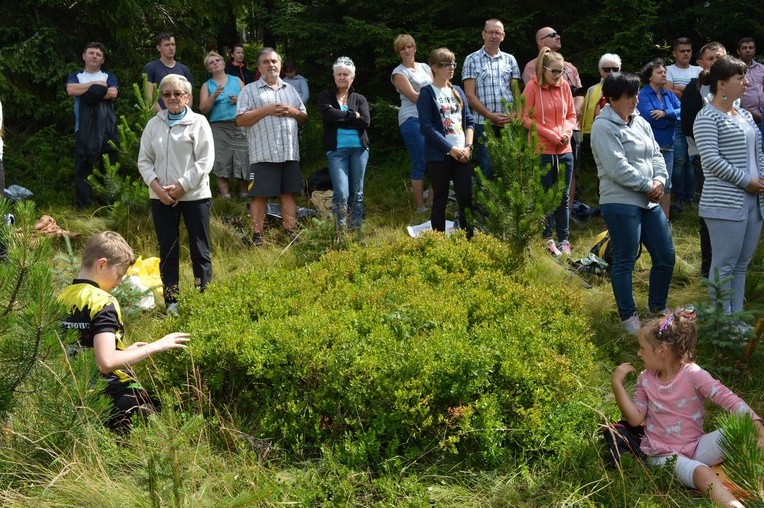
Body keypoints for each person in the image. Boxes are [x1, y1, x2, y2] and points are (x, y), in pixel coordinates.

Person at [611, 309, 764, 507]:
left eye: (642, 348)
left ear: (662, 351)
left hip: (696, 445)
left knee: (745, 434)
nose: (638, 353)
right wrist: (617, 385)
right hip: (661, 455)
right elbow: (634, 419)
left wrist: (758, 427)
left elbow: (728, 399)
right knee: (702, 472)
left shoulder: (693, 374)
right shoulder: (645, 379)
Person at [58, 231, 190, 433]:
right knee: (165, 412)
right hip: (108, 393)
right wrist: (158, 345)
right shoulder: (103, 302)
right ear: (101, 264)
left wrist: (126, 351)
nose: (119, 282)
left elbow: (82, 348)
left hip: (68, 391)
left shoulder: (62, 297)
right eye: (119, 274)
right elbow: (106, 363)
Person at [590, 72, 674, 333]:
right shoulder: (603, 126)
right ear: (612, 99)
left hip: (649, 200)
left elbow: (657, 155)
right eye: (630, 96)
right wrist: (648, 186)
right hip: (620, 201)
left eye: (637, 94)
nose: (636, 100)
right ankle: (628, 317)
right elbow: (617, 168)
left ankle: (657, 307)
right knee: (626, 259)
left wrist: (659, 181)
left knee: (666, 255)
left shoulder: (641, 123)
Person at [137, 75, 214, 315]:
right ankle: (171, 301)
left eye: (177, 93)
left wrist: (182, 186)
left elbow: (205, 161)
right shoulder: (153, 124)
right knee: (168, 250)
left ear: (188, 97)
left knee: (199, 249)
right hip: (161, 198)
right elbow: (144, 161)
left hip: (195, 196)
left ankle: (203, 296)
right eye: (167, 94)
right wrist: (158, 189)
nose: (172, 98)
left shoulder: (199, 122)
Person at [693, 55, 764, 315]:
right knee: (724, 266)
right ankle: (722, 322)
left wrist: (761, 181)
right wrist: (747, 182)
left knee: (741, 264)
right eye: (740, 78)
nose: (746, 82)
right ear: (722, 84)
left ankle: (736, 318)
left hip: (754, 201)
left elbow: (759, 153)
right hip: (724, 203)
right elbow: (711, 161)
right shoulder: (707, 117)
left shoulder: (744, 113)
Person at [236, 48, 308, 246]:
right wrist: (266, 110)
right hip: (263, 153)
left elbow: (304, 118)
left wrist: (293, 111)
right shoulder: (249, 90)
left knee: (288, 193)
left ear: (280, 65)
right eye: (266, 62)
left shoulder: (291, 90)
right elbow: (240, 120)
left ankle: (290, 231)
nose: (271, 65)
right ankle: (257, 236)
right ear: (259, 67)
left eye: (274, 61)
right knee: (259, 195)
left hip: (289, 152)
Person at [522, 48, 577, 256]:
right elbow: (524, 118)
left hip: (564, 148)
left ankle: (564, 239)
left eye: (561, 72)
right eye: (554, 72)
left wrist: (566, 131)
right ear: (543, 70)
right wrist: (549, 134)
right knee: (544, 195)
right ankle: (547, 237)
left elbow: (571, 115)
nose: (558, 76)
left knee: (562, 196)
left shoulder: (564, 87)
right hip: (541, 149)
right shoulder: (532, 87)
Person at [680, 42, 727, 278]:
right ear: (701, 63)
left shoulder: (733, 88)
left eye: (720, 57)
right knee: (710, 213)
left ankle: (729, 266)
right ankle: (708, 269)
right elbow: (687, 126)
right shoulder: (694, 89)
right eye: (711, 58)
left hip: (732, 161)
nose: (716, 62)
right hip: (703, 158)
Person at [417, 48, 475, 237]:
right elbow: (426, 127)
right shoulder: (426, 93)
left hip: (462, 153)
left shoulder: (457, 90)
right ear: (434, 67)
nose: (451, 68)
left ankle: (468, 239)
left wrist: (468, 147)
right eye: (445, 64)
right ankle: (438, 242)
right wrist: (449, 149)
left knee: (465, 198)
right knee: (440, 198)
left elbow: (469, 121)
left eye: (453, 63)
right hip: (439, 155)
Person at [462, 19, 521, 180]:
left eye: (497, 33)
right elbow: (469, 95)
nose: (493, 36)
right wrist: (490, 115)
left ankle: (509, 204)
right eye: (490, 32)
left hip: (509, 120)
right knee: (487, 166)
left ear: (503, 36)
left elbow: (515, 91)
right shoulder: (471, 60)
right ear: (483, 34)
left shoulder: (510, 60)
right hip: (483, 122)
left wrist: (516, 114)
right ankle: (484, 204)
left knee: (510, 165)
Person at [65, 42, 120, 210]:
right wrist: (96, 86)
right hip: (82, 129)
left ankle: (108, 205)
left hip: (107, 130)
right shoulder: (76, 75)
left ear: (102, 60)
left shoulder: (109, 76)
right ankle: (83, 205)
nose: (94, 56)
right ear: (84, 56)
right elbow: (71, 90)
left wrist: (89, 93)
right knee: (83, 168)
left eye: (98, 54)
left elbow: (112, 93)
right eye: (91, 53)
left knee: (108, 167)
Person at [318, 57, 370, 231]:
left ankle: (355, 230)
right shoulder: (326, 96)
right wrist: (350, 116)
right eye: (338, 74)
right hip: (336, 150)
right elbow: (327, 115)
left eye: (345, 74)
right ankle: (340, 231)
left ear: (352, 78)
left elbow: (365, 122)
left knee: (358, 192)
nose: (342, 77)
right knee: (341, 192)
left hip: (359, 150)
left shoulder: (359, 98)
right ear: (334, 77)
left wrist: (339, 119)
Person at [391, 34, 433, 212]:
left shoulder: (425, 67)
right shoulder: (398, 73)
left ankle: (432, 202)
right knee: (420, 162)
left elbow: (440, 86)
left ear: (415, 48)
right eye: (403, 48)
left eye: (409, 46)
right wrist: (435, 96)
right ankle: (420, 207)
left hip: (431, 119)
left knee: (436, 161)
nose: (407, 50)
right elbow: (415, 97)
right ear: (398, 52)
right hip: (411, 119)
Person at [199, 51, 249, 200]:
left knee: (242, 158)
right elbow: (203, 109)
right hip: (218, 127)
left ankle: (244, 194)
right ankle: (226, 197)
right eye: (211, 62)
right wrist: (214, 95)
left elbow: (250, 101)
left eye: (217, 60)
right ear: (208, 69)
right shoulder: (206, 85)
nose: (215, 63)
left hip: (239, 124)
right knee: (222, 160)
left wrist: (238, 100)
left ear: (223, 63)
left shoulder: (236, 80)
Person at [637, 59, 681, 219]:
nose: (664, 74)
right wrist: (671, 118)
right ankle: (648, 218)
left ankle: (665, 220)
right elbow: (648, 117)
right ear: (650, 77)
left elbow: (681, 111)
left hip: (668, 145)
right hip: (649, 146)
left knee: (666, 185)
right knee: (649, 184)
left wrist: (665, 114)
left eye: (664, 72)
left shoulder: (669, 94)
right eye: (660, 72)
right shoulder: (642, 94)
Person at [665, 38, 701, 208]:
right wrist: (691, 89)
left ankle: (691, 196)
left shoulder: (698, 69)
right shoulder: (668, 70)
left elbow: (703, 92)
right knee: (679, 160)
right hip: (678, 121)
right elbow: (668, 92)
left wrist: (680, 88)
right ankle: (678, 197)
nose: (686, 53)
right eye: (682, 51)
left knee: (694, 159)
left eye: (689, 50)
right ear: (674, 53)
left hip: (698, 120)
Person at [144, 32, 194, 112]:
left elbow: (189, 94)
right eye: (167, 45)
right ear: (159, 48)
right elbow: (149, 95)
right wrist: (162, 116)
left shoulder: (184, 69)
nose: (171, 48)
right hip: (160, 116)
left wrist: (185, 114)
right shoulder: (151, 68)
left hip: (182, 116)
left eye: (173, 44)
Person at [581, 54, 621, 136]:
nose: (611, 72)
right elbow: (584, 114)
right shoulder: (592, 90)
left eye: (615, 69)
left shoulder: (624, 88)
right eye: (607, 69)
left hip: (619, 130)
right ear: (600, 71)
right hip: (593, 132)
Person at [737, 37, 764, 127]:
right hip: (745, 117)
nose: (748, 50)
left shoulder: (761, 68)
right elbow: (734, 96)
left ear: (754, 50)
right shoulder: (734, 69)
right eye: (744, 48)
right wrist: (752, 114)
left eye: (750, 48)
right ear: (738, 51)